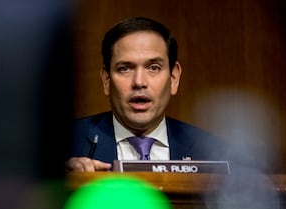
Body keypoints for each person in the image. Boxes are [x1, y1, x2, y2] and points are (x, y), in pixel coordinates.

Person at [65, 16, 229, 172]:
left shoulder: (214, 152)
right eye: (125, 68)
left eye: (154, 68)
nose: (139, 82)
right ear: (107, 79)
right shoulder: (63, 146)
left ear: (173, 78)